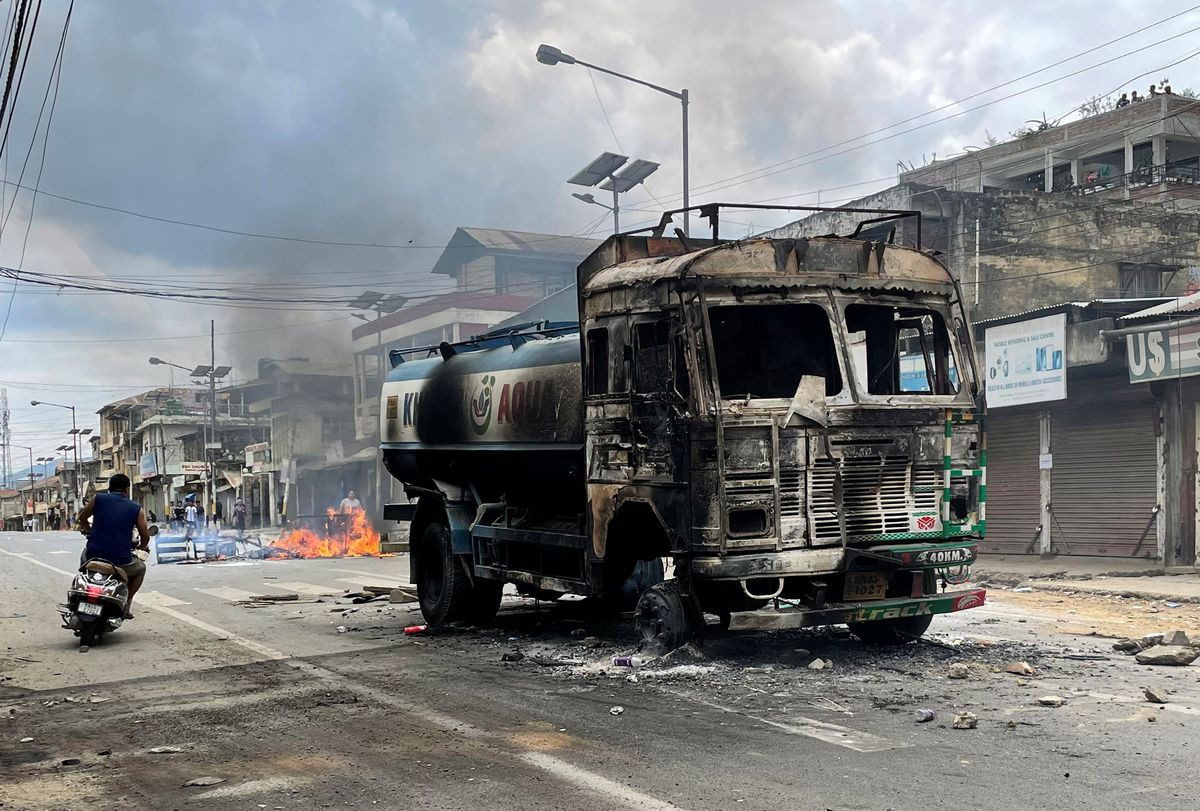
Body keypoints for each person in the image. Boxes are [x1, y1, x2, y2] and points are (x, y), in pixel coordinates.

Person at [77, 474, 150, 619]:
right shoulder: (136, 508)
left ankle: (81, 591)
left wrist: (88, 531)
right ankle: (126, 602)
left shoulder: (98, 499)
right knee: (141, 569)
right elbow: (145, 534)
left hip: (93, 554)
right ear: (126, 489)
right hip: (121, 560)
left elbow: (82, 517)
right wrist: (142, 546)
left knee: (83, 565)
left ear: (109, 487)